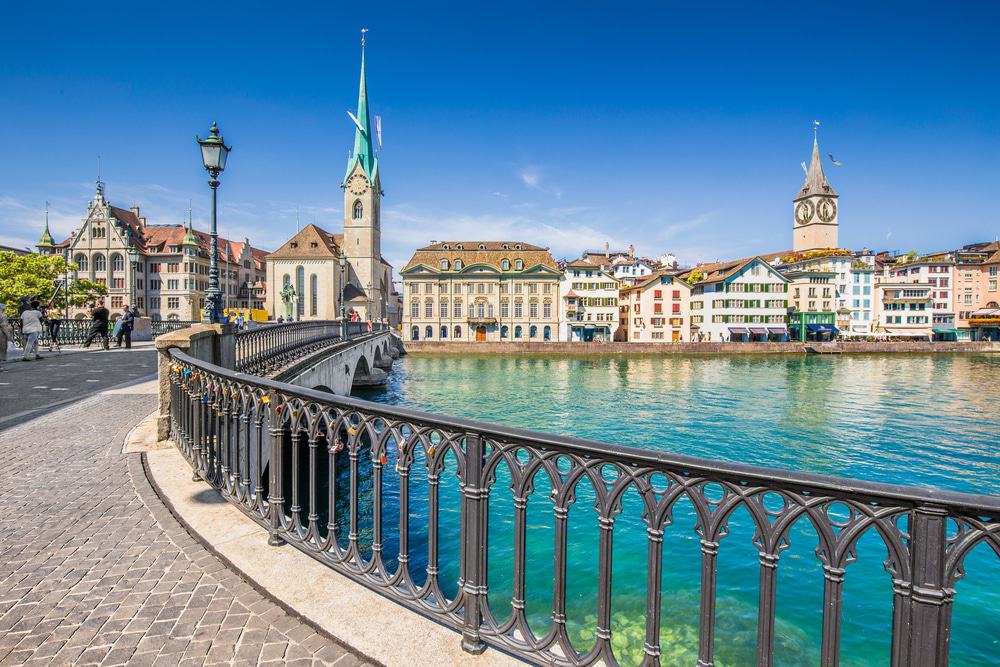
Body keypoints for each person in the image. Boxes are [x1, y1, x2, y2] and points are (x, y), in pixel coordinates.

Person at [0, 304, 14, 372]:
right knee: (1, 350)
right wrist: (9, 336)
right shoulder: (3, 315)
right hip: (1, 335)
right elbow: (4, 326)